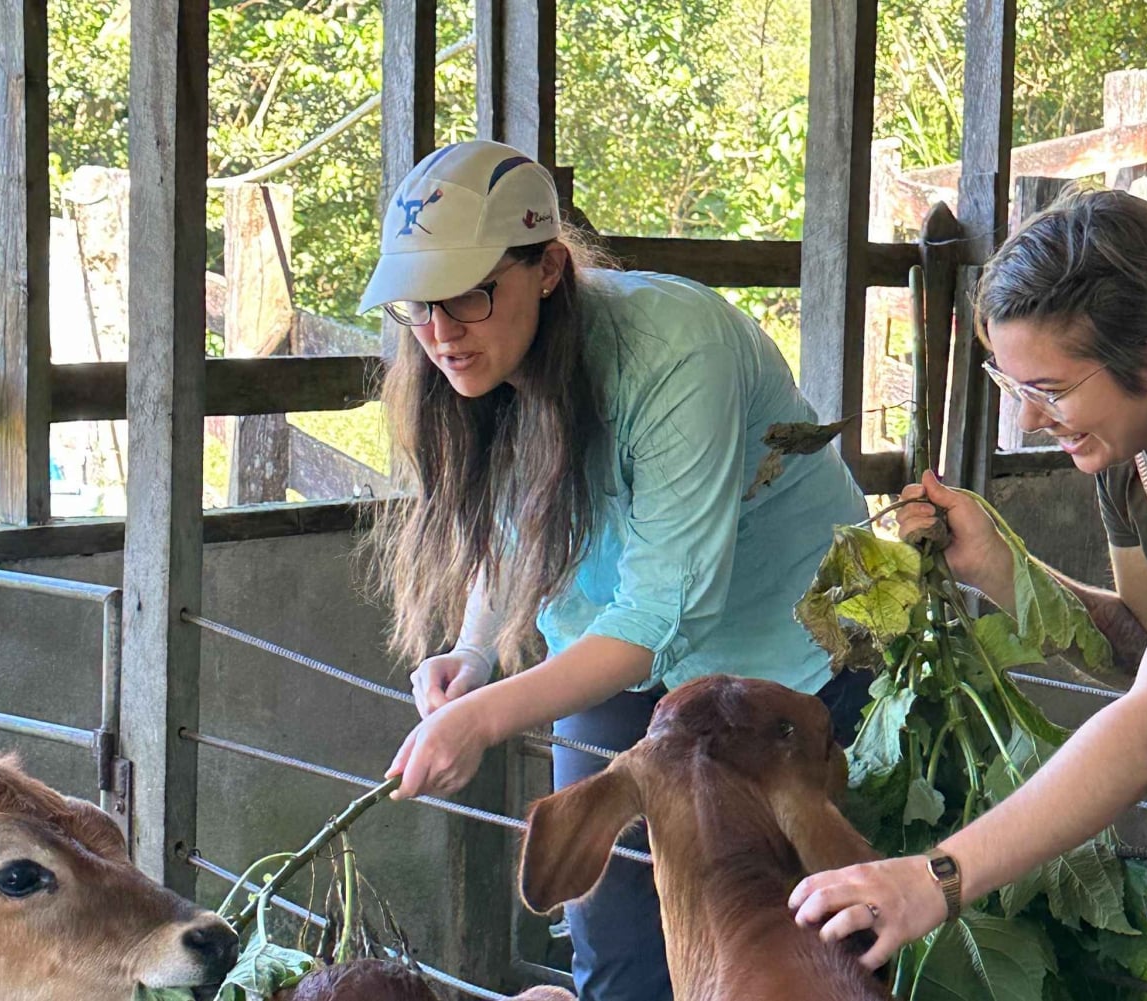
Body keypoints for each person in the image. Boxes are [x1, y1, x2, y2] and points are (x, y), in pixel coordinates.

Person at [357, 139, 872, 1001]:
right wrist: (477, 651)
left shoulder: (674, 351)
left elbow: (656, 614)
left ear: (549, 268)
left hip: (788, 658)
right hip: (609, 653)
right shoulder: (474, 367)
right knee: (620, 947)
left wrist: (481, 720)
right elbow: (518, 523)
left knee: (812, 936)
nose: (441, 334)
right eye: (419, 306)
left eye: (472, 295)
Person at [789, 188, 1147, 989]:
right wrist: (1000, 566)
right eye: (1011, 382)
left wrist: (937, 877)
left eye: (1051, 390)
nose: (1027, 420)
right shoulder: (1126, 441)